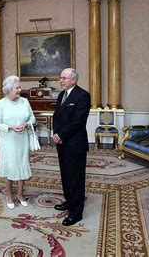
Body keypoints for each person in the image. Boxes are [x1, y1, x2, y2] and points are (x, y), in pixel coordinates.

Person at [52, 68, 91, 226]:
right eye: (60, 77)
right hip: (62, 143)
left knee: (76, 178)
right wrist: (56, 134)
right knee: (66, 175)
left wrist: (61, 135)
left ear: (73, 80)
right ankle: (69, 201)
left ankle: (76, 212)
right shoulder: (62, 95)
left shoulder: (83, 95)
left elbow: (78, 121)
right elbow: (56, 117)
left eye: (64, 78)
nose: (61, 81)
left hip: (75, 144)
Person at [0, 75, 36, 209]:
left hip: (22, 140)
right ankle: (10, 196)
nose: (19, 90)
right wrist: (10, 127)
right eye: (17, 87)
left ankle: (20, 195)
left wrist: (26, 124)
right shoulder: (1, 103)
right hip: (8, 141)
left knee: (22, 164)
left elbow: (33, 119)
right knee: (9, 167)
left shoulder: (24, 101)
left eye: (19, 87)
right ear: (9, 89)